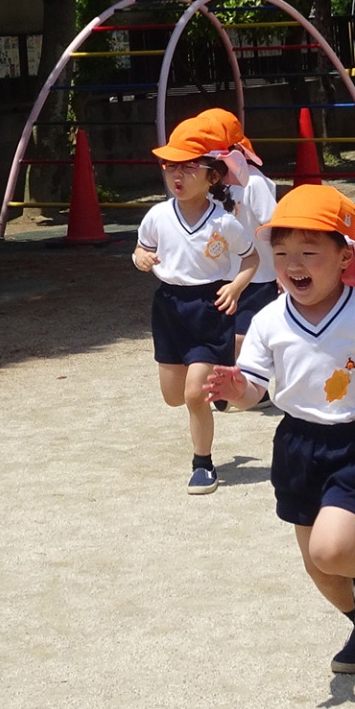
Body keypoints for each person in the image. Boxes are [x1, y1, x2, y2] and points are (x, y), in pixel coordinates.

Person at [203, 186, 355, 674]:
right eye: (281, 254)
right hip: (296, 443)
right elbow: (253, 392)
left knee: (334, 550)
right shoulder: (267, 320)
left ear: (344, 255)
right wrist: (233, 389)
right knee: (318, 565)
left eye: (309, 252)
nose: (293, 264)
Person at [133, 115, 259, 493]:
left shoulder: (224, 222)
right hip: (169, 307)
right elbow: (143, 249)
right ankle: (217, 388)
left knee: (192, 395)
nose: (177, 175)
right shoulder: (157, 215)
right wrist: (140, 258)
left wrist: (236, 286)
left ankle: (203, 465)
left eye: (189, 167)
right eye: (171, 165)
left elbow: (251, 258)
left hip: (210, 307)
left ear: (212, 176)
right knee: (173, 397)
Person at [196, 109, 280, 367]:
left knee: (245, 337)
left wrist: (283, 270)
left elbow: (274, 226)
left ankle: (250, 386)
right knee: (221, 335)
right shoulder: (204, 185)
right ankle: (229, 384)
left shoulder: (254, 183)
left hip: (258, 276)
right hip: (220, 274)